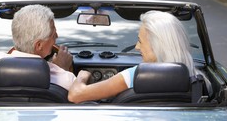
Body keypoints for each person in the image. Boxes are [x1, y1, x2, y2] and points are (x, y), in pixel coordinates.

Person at [68, 10, 211, 103]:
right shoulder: (200, 82)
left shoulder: (133, 76)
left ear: (157, 46)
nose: (137, 47)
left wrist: (82, 74)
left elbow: (75, 95)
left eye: (140, 41)